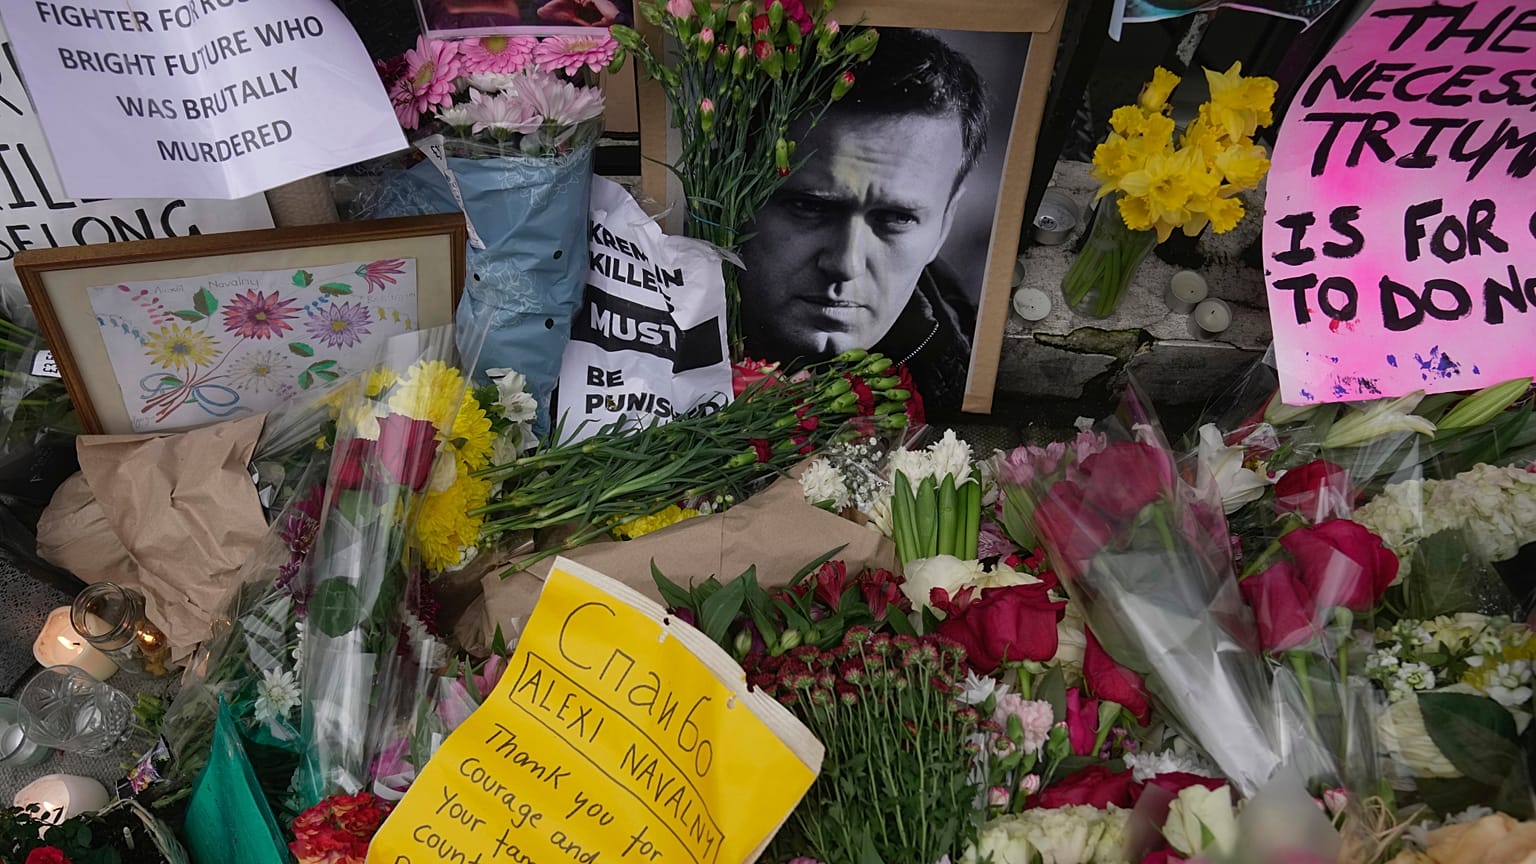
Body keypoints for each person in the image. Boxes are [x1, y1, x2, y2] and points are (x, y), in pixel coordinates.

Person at [738, 28, 989, 412]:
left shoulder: (976, 377)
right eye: (809, 207)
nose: (845, 264)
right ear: (736, 196)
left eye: (897, 218)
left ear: (945, 225)